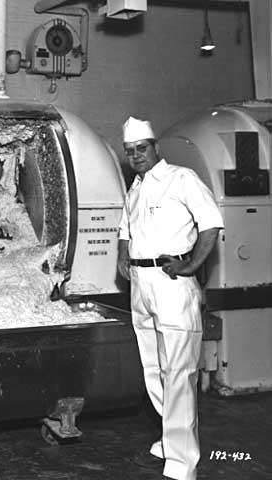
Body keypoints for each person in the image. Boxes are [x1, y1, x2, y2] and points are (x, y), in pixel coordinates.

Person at [116, 117, 224, 480]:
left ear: (155, 147)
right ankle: (169, 438)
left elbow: (211, 222)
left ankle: (182, 462)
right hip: (141, 285)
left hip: (171, 283)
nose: (136, 156)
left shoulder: (182, 178)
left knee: (178, 372)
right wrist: (123, 256)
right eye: (130, 152)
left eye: (141, 149)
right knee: (154, 370)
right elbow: (125, 227)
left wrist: (192, 265)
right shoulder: (136, 187)